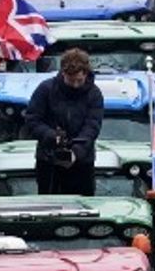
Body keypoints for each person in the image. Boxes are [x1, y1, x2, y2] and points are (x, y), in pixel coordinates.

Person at [25, 48, 105, 195]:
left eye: (79, 81)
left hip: (82, 164)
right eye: (71, 80)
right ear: (63, 73)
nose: (75, 85)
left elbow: (92, 126)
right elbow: (32, 119)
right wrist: (51, 136)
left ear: (86, 74)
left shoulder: (94, 94)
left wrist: (76, 152)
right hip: (49, 161)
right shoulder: (46, 90)